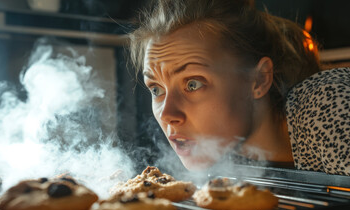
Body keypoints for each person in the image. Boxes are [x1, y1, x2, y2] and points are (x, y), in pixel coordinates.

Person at [129, 0, 350, 175]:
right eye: (156, 89)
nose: (167, 115)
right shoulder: (227, 155)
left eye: (193, 84)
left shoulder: (327, 105)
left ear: (259, 80)